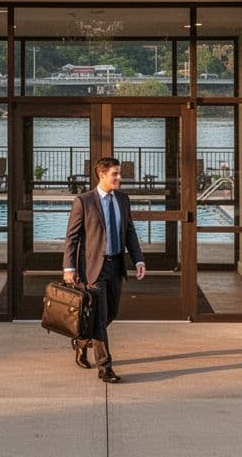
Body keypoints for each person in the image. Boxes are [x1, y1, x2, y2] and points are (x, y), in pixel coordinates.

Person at [62, 156, 145, 383]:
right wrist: (69, 267)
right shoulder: (84, 201)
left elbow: (129, 232)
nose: (119, 178)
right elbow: (72, 237)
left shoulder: (123, 200)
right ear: (102, 175)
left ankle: (82, 341)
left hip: (116, 265)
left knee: (111, 313)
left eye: (119, 174)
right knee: (99, 317)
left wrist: (138, 260)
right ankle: (105, 366)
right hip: (92, 268)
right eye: (115, 174)